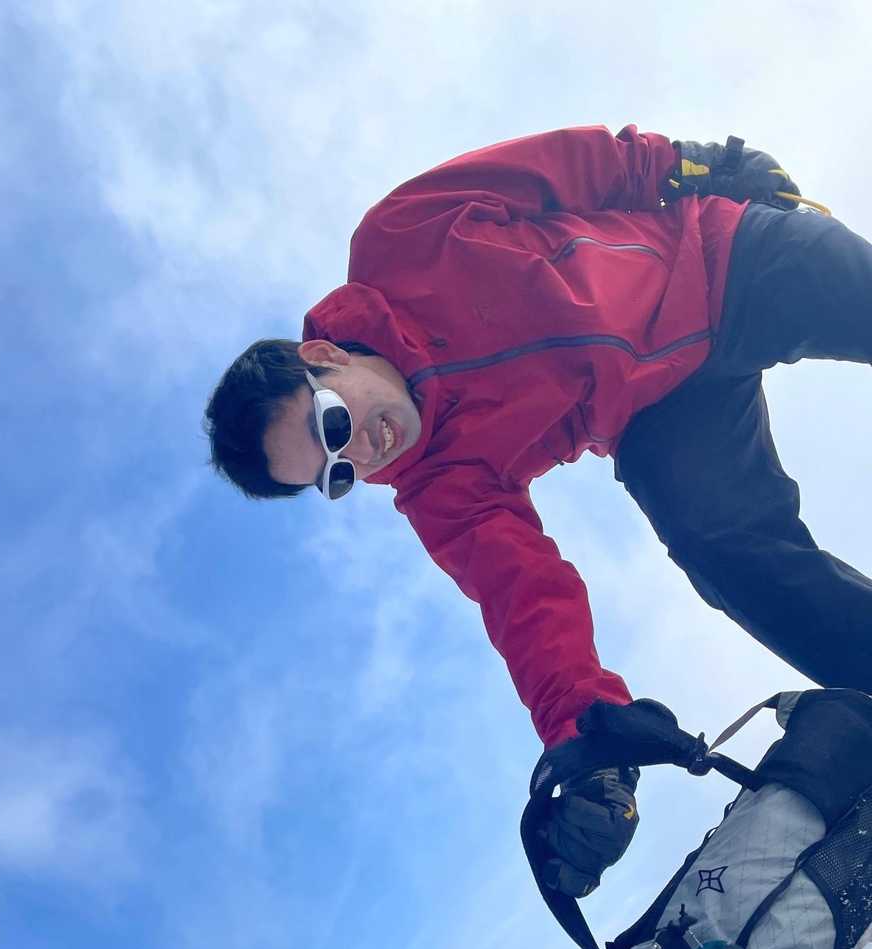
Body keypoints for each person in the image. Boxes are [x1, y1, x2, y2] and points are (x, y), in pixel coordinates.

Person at [204, 125, 870, 898]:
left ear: (322, 358)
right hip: (658, 410)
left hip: (722, 257)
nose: (362, 453)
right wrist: (589, 741)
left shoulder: (401, 239)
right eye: (337, 473)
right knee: (722, 550)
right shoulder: (440, 488)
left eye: (332, 427)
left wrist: (698, 165)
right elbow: (526, 605)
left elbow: (575, 167)